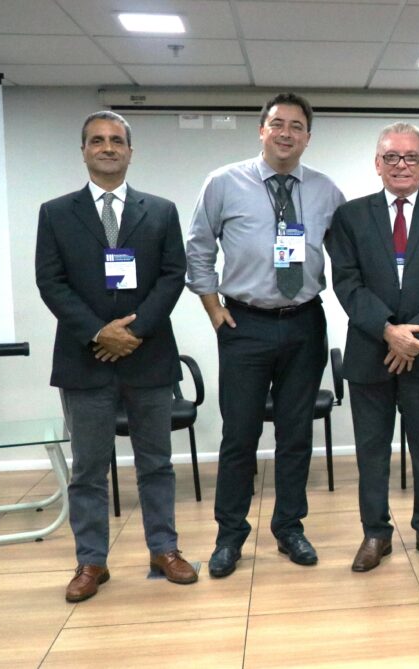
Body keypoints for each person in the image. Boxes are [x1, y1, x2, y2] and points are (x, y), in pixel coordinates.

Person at [36, 110, 197, 601]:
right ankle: (91, 562)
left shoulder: (162, 210)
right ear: (83, 151)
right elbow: (51, 281)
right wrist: (98, 333)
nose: (107, 148)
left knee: (157, 462)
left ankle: (163, 549)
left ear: (130, 151)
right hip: (85, 360)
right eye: (97, 141)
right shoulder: (56, 212)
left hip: (147, 356)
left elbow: (173, 275)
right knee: (88, 466)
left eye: (116, 141)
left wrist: (135, 331)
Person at [186, 92, 346, 578]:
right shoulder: (223, 182)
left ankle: (289, 528)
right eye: (277, 123)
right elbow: (197, 247)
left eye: (297, 126)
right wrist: (213, 309)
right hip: (244, 324)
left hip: (304, 323)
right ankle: (229, 536)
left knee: (296, 435)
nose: (286, 132)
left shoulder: (325, 190)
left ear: (307, 137)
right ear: (262, 130)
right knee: (240, 435)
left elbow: (350, 256)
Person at [327, 122, 419, 573]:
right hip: (371, 352)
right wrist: (389, 331)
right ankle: (375, 534)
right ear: (377, 164)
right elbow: (346, 283)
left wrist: (413, 338)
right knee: (372, 450)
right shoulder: (351, 216)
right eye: (392, 157)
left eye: (411, 157)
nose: (402, 165)